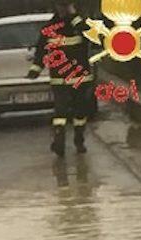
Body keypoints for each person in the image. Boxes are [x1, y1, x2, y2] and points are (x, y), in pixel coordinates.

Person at [27, 0, 95, 157]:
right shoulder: (49, 28)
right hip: (61, 78)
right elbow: (41, 51)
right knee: (61, 112)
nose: (63, 9)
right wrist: (35, 69)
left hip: (79, 77)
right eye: (61, 6)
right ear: (56, 7)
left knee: (80, 112)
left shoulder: (78, 24)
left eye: (66, 6)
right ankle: (59, 142)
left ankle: (79, 141)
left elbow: (90, 36)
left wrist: (74, 16)